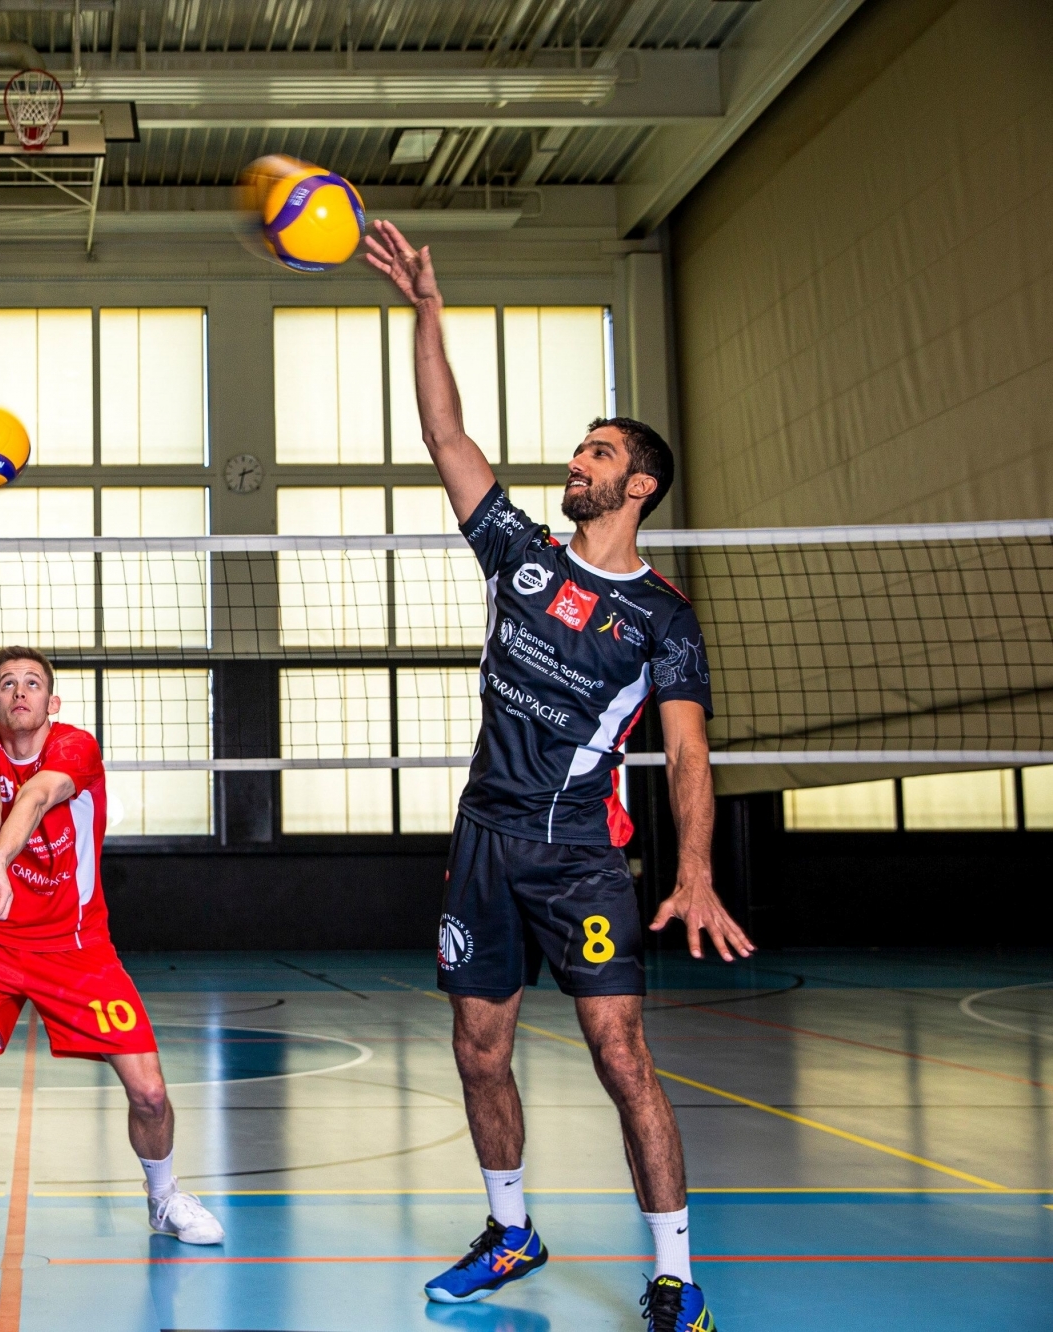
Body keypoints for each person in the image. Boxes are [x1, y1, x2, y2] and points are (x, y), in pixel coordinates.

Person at [365, 221, 752, 1332]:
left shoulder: (661, 620)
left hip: (580, 856)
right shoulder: (520, 555)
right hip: (485, 839)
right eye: (577, 450)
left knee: (619, 1056)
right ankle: (509, 1231)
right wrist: (425, 309)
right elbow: (444, 433)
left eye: (594, 454)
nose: (572, 463)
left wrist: (692, 867)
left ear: (633, 485)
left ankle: (674, 1275)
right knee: (476, 1050)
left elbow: (684, 749)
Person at [0, 647, 225, 1275]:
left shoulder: (75, 748)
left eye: (33, 683)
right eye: (7, 684)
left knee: (148, 1091)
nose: (20, 692)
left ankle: (165, 1198)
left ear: (52, 702)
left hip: (78, 947)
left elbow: (35, 798)